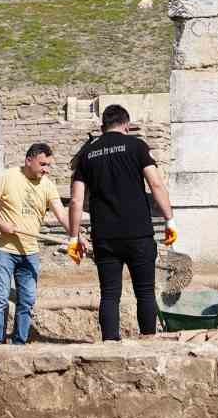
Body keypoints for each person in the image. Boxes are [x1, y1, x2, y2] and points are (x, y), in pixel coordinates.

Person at [67, 104, 177, 341]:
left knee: (109, 295)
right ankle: (148, 341)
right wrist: (169, 220)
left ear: (102, 127)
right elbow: (156, 185)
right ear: (126, 125)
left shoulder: (87, 153)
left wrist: (74, 238)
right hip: (139, 233)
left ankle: (110, 344)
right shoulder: (137, 146)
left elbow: (76, 201)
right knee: (145, 292)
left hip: (105, 236)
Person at [0, 142, 69, 345]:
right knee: (0, 299)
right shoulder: (8, 177)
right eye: (42, 164)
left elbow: (62, 214)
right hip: (3, 249)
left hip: (30, 252)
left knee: (27, 301)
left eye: (49, 165)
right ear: (29, 160)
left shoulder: (47, 185)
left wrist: (76, 235)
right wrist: (0, 223)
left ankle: (20, 344)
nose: (46, 169)